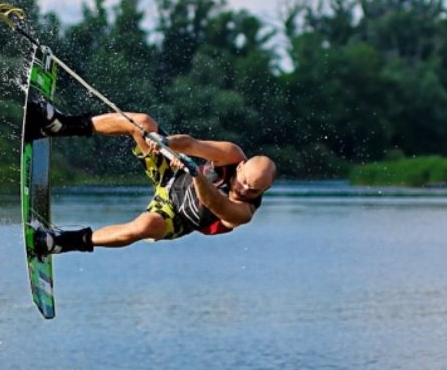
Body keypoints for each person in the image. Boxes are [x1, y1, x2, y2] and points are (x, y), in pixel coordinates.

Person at [25, 93, 276, 257]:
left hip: (177, 218)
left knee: (145, 226)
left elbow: (213, 202)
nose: (244, 190)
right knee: (142, 123)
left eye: (253, 190)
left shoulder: (244, 213)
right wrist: (165, 142)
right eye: (244, 182)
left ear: (263, 191)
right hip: (172, 176)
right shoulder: (232, 154)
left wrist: (195, 174)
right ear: (241, 166)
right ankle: (58, 125)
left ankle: (61, 242)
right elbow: (191, 145)